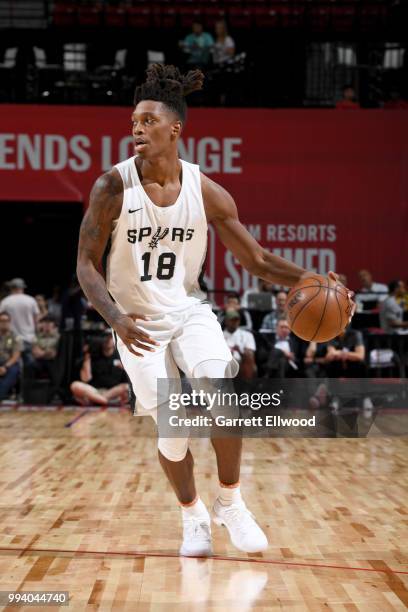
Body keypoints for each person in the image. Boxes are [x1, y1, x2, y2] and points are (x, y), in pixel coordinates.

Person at [76, 64, 354, 557]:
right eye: (132, 122)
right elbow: (85, 267)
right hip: (137, 323)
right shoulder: (111, 188)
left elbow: (258, 259)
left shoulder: (204, 191)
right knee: (174, 430)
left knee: (219, 390)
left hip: (188, 310)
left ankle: (230, 501)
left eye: (146, 121)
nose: (135, 129)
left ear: (175, 129)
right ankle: (193, 515)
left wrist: (316, 280)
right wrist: (116, 319)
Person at [71, 335, 129, 406]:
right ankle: (104, 401)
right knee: (75, 385)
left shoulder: (121, 356)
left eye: (111, 337)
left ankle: (98, 400)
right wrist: (87, 358)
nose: (108, 340)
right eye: (106, 337)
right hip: (94, 391)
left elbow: (129, 381)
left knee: (127, 386)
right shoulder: (93, 356)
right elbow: (85, 379)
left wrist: (125, 368)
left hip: (113, 392)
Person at [0, 278, 39, 360]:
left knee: (12, 363)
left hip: (11, 339)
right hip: (29, 338)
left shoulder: (5, 302)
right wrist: (36, 339)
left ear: (11, 288)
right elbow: (36, 321)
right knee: (29, 366)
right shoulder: (31, 300)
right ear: (23, 288)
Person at [223, 310, 256, 379]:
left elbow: (251, 353)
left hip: (242, 361)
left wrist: (240, 351)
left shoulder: (247, 335)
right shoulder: (218, 335)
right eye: (232, 320)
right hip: (224, 362)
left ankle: (246, 387)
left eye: (236, 320)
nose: (235, 322)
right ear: (226, 321)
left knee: (248, 357)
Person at [29, 315, 60, 389]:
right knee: (30, 365)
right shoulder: (37, 337)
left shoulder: (58, 337)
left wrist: (42, 352)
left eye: (49, 323)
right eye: (44, 323)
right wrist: (47, 352)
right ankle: (33, 391)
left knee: (53, 367)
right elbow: (35, 352)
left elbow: (54, 354)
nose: (46, 325)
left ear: (54, 324)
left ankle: (55, 391)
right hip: (40, 361)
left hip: (54, 361)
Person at [0, 311, 22, 401]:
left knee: (13, 371)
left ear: (9, 322)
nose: (4, 323)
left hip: (9, 363)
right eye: (2, 321)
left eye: (6, 321)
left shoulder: (15, 336)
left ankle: (1, 394)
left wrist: (4, 367)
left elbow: (16, 355)